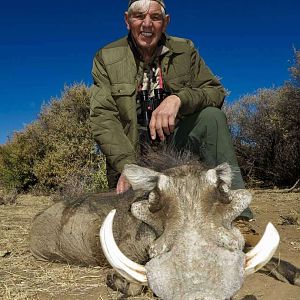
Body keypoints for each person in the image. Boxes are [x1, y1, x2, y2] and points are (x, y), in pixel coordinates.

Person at [90, 0, 252, 219]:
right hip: (132, 158)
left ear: (165, 22)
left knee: (212, 117)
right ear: (127, 20)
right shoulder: (106, 57)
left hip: (176, 151)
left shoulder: (186, 49)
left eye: (155, 18)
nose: (147, 24)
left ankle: (238, 216)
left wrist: (179, 99)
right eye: (139, 16)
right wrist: (128, 167)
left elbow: (215, 92)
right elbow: (103, 118)